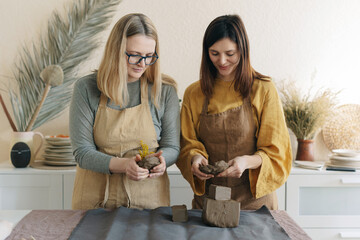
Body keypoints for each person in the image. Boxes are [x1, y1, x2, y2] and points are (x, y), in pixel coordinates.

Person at [177, 14, 292, 210]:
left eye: (230, 54)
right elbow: (187, 143)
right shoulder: (194, 93)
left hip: (255, 204)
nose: (222, 61)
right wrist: (195, 158)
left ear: (243, 50)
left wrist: (246, 161)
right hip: (209, 202)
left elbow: (277, 152)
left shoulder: (264, 89)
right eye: (214, 53)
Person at [69, 13, 180, 210]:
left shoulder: (165, 91)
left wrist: (163, 161)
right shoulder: (86, 88)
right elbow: (82, 153)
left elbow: (172, 146)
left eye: (149, 56)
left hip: (148, 203)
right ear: (116, 51)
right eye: (135, 55)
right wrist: (124, 165)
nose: (142, 64)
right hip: (95, 203)